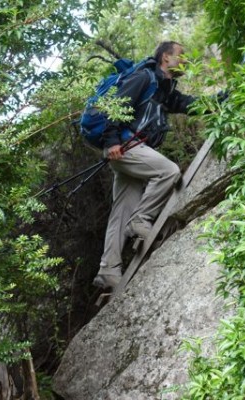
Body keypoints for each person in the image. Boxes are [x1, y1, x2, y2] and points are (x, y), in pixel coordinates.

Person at [93, 41, 196, 289]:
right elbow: (115, 107)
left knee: (121, 210)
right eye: (181, 56)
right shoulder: (144, 78)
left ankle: (108, 269)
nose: (185, 60)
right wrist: (111, 140)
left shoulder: (165, 89)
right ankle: (141, 220)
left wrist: (222, 100)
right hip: (125, 146)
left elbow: (189, 104)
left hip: (130, 150)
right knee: (168, 171)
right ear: (165, 58)